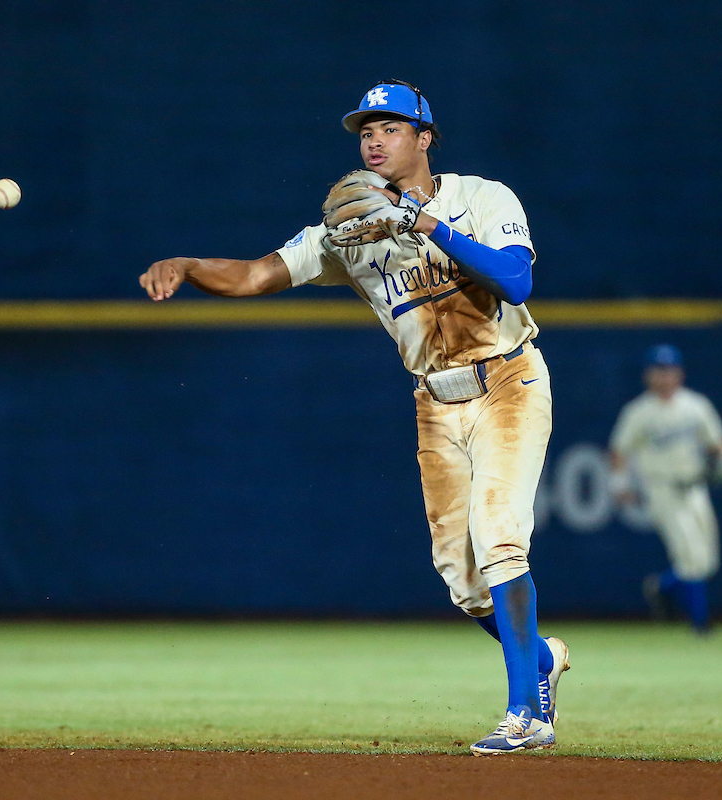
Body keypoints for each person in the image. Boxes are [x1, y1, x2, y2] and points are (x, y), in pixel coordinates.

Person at [139, 81, 569, 755]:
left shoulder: (482, 198)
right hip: (434, 397)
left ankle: (528, 712)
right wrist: (190, 265)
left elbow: (516, 282)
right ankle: (538, 658)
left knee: (499, 538)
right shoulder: (348, 232)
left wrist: (426, 224)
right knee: (460, 581)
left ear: (425, 138)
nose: (373, 140)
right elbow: (254, 276)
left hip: (508, 382)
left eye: (390, 128)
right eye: (365, 131)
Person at [608, 344, 722, 634]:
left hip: (695, 487)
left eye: (669, 370)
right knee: (690, 556)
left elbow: (717, 442)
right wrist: (619, 482)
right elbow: (619, 451)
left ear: (679, 373)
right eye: (658, 371)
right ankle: (701, 624)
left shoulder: (696, 405)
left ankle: (661, 586)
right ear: (648, 375)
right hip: (662, 488)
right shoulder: (638, 411)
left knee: (707, 560)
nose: (664, 376)